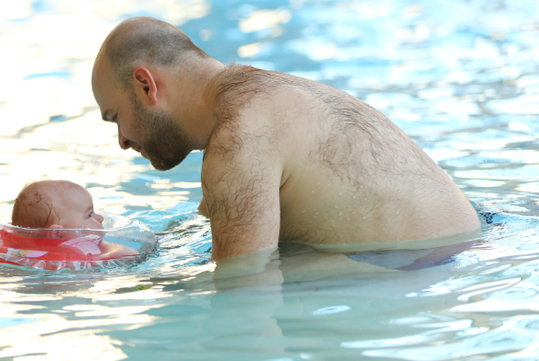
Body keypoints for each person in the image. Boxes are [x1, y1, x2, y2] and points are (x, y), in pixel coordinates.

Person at [91, 16, 482, 262]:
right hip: (469, 257)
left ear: (146, 85)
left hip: (420, 275)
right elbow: (199, 236)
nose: (123, 140)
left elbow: (243, 303)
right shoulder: (270, 97)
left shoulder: (237, 142)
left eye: (115, 118)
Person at [11, 179, 137, 257]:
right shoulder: (86, 260)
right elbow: (131, 254)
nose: (100, 218)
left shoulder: (18, 256)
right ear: (58, 233)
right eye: (89, 215)